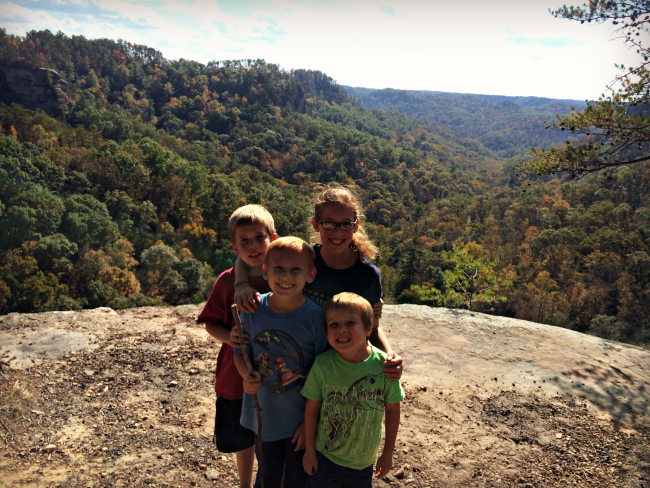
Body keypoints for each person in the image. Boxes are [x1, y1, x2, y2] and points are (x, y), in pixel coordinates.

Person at [235, 185, 403, 380]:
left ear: (355, 226)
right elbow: (261, 255)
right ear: (316, 225)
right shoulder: (303, 258)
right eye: (329, 224)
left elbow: (371, 327)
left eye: (346, 224)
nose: (338, 232)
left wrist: (389, 355)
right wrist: (241, 284)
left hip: (338, 368)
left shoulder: (367, 275)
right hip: (297, 361)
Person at [233, 236, 329, 488]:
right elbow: (239, 353)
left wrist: (308, 425)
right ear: (265, 271)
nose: (286, 276)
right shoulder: (252, 310)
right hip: (264, 416)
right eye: (279, 269)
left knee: (297, 479)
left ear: (310, 274)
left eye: (295, 270)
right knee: (266, 475)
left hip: (299, 420)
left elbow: (322, 374)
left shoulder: (316, 319)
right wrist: (246, 375)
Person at [196, 204, 277, 488]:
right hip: (234, 377)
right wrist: (227, 336)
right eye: (245, 240)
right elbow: (209, 323)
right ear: (235, 246)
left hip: (278, 373)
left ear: (273, 239)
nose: (253, 246)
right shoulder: (227, 280)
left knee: (270, 433)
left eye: (259, 238)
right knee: (243, 435)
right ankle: (244, 483)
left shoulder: (285, 277)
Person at [302, 292, 404, 487]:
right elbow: (312, 409)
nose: (341, 330)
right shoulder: (323, 365)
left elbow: (393, 410)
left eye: (350, 323)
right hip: (325, 457)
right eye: (334, 325)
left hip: (363, 464)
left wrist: (388, 453)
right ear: (326, 331)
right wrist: (309, 451)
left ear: (368, 328)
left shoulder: (384, 366)